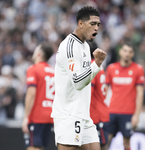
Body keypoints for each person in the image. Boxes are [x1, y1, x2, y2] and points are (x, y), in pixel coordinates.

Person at [51, 6, 106, 150]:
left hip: (84, 115)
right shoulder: (69, 46)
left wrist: (95, 65)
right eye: (92, 24)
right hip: (68, 115)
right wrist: (97, 64)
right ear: (80, 23)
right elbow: (78, 81)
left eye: (98, 25)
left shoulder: (85, 47)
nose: (96, 28)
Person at [105, 44, 145, 150]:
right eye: (125, 50)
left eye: (130, 51)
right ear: (120, 52)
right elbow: (105, 90)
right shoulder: (111, 68)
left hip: (128, 112)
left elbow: (140, 93)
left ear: (133, 54)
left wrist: (137, 115)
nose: (127, 53)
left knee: (126, 143)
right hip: (111, 111)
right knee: (106, 141)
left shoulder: (138, 69)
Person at [22, 42, 54, 150]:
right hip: (50, 115)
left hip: (37, 116)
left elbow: (31, 93)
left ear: (39, 54)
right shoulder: (53, 71)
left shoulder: (33, 69)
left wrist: (26, 117)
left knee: (33, 146)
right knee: (41, 147)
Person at [89, 42, 109, 150]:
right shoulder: (99, 66)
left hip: (96, 114)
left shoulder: (92, 66)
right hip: (101, 111)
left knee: (100, 145)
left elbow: (88, 92)